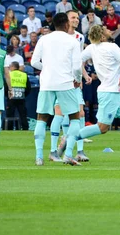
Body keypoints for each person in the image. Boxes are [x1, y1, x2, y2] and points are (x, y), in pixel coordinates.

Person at [75, 24, 120, 164]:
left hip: (116, 93)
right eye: (106, 29)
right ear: (102, 35)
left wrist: (83, 75)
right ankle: (71, 137)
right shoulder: (112, 47)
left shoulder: (92, 48)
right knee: (102, 128)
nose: (109, 31)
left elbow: (77, 60)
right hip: (109, 93)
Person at [31, 13, 83, 166]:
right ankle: (68, 155)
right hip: (65, 83)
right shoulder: (72, 41)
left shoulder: (44, 39)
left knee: (42, 118)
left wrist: (46, 68)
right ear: (66, 24)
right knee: (75, 118)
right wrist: (77, 80)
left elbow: (34, 62)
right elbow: (77, 66)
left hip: (46, 83)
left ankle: (39, 156)